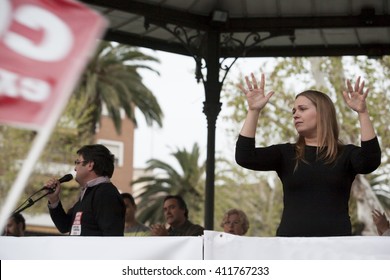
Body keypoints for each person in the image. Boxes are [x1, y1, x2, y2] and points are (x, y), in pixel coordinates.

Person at [235, 73, 381, 237]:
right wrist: (253, 111)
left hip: (336, 247)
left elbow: (370, 161)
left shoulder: (346, 154)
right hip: (291, 246)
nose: (296, 114)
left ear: (323, 113)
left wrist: (363, 113)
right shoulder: (286, 153)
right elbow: (244, 157)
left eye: (302, 109)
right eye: (294, 111)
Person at [45, 144, 125, 236]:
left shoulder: (105, 193)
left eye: (77, 162)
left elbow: (112, 237)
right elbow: (64, 226)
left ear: (90, 165)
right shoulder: (89, 191)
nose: (75, 168)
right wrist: (53, 199)